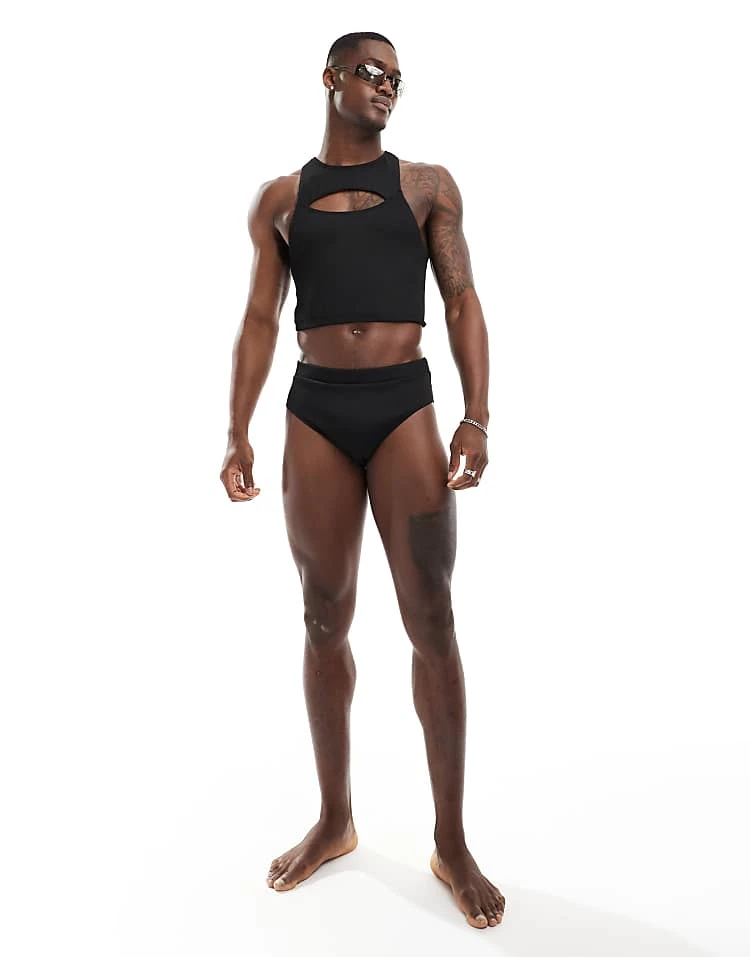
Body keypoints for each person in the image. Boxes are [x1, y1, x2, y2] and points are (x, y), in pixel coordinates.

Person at [219, 31, 505, 930]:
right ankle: (335, 818)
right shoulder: (280, 200)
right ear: (331, 77)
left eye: (397, 80)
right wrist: (236, 430)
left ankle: (451, 841)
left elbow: (461, 298)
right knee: (322, 615)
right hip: (315, 411)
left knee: (433, 618)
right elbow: (260, 318)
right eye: (372, 73)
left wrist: (477, 414)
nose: (387, 87)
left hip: (403, 405)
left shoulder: (425, 186)